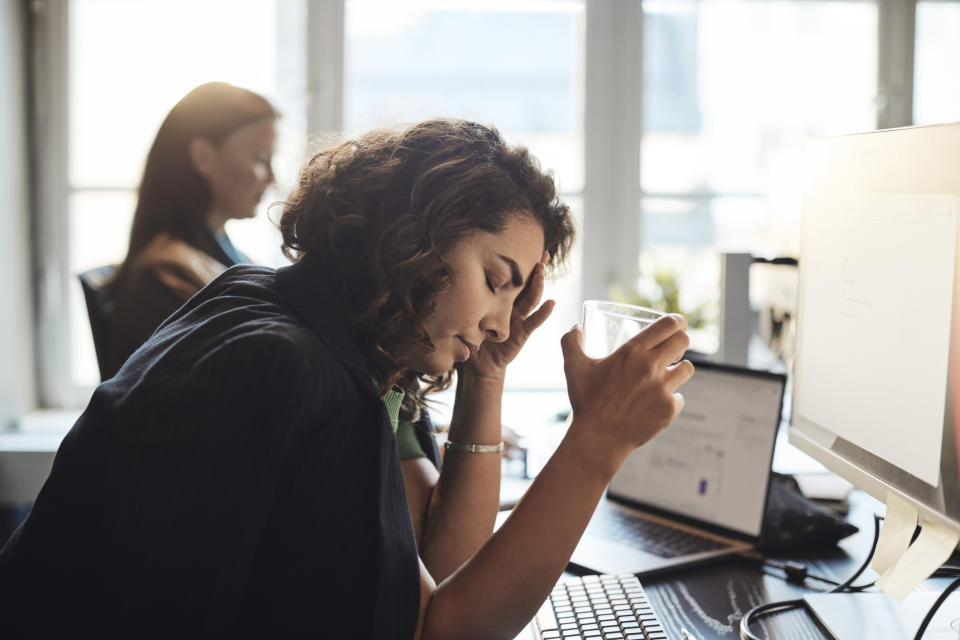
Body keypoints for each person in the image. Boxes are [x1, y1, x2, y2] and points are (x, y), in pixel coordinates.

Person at [0, 119, 694, 638]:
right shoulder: (301, 374)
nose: (501, 323)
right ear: (417, 236)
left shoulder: (323, 326)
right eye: (495, 281)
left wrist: (486, 379)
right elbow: (441, 631)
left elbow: (441, 559)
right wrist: (597, 443)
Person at [103, 81, 279, 379]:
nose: (273, 177)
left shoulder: (218, 256)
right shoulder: (167, 275)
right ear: (203, 157)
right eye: (261, 159)